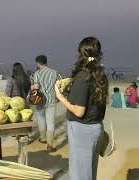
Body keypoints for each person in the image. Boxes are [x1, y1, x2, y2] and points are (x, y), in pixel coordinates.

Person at [55, 37, 108, 180]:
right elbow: (94, 100)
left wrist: (61, 98)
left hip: (82, 131)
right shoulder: (101, 75)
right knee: (89, 172)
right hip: (96, 127)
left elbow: (79, 111)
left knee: (80, 174)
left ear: (81, 54)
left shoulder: (83, 76)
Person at [32, 55, 59, 152]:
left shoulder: (37, 73)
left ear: (38, 63)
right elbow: (59, 85)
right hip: (51, 100)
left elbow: (35, 88)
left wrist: (32, 88)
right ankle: (50, 145)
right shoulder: (54, 72)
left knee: (41, 120)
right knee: (50, 122)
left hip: (40, 101)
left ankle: (43, 138)